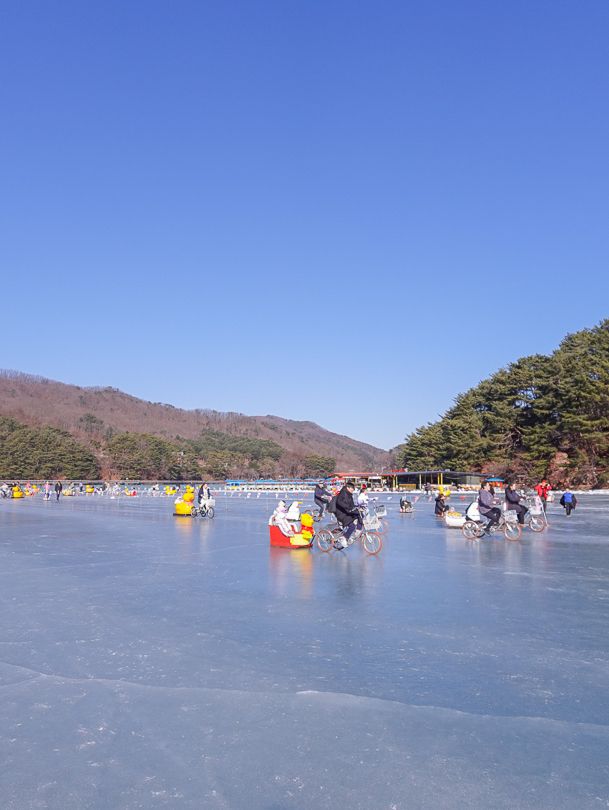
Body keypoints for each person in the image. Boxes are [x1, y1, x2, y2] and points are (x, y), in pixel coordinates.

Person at [335, 481, 363, 549]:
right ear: (348, 488)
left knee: (360, 514)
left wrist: (357, 508)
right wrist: (348, 508)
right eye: (352, 489)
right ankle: (344, 537)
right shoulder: (342, 493)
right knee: (352, 526)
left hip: (347, 511)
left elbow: (352, 504)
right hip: (341, 513)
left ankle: (358, 531)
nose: (353, 490)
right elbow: (339, 502)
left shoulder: (349, 495)